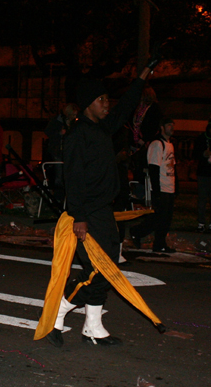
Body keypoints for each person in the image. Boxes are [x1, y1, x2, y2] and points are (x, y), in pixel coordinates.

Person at [45, 56, 157, 348]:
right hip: (86, 215)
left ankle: (92, 327)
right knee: (98, 269)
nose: (107, 103)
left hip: (104, 211)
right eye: (101, 99)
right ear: (87, 104)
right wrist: (79, 216)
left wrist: (145, 72)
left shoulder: (103, 129)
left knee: (107, 269)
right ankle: (60, 311)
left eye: (107, 98)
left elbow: (127, 104)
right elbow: (74, 179)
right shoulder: (76, 136)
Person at [130, 116, 177, 253]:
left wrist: (176, 186)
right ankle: (137, 232)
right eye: (169, 125)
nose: (172, 128)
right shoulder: (157, 144)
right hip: (161, 187)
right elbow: (154, 168)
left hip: (169, 187)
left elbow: (172, 166)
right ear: (162, 127)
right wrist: (156, 191)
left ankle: (160, 243)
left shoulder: (170, 144)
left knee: (165, 219)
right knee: (158, 218)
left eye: (173, 125)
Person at [44, 103, 78, 200]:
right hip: (58, 152)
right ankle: (59, 198)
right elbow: (48, 132)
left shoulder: (73, 123)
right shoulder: (57, 121)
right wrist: (59, 133)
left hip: (68, 152)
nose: (74, 117)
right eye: (73, 115)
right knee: (59, 176)